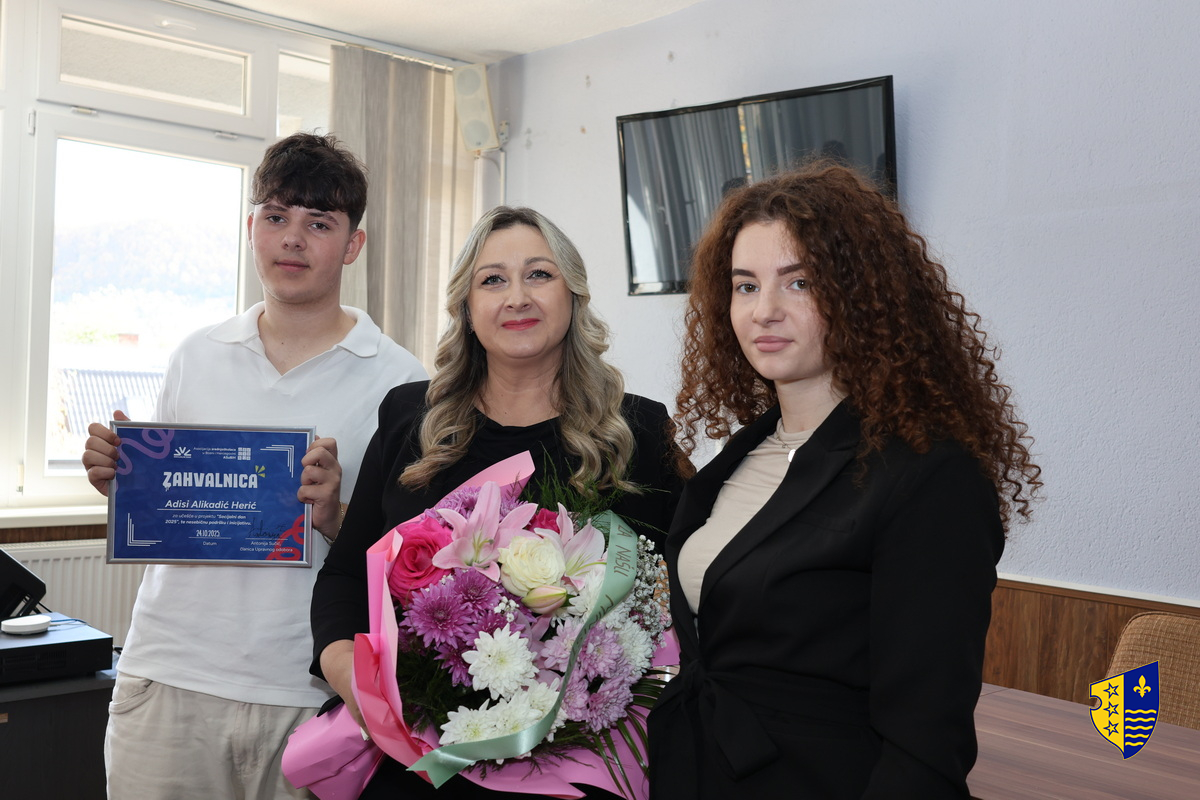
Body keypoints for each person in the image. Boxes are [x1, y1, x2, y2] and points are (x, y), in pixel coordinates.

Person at [647, 162, 1042, 799]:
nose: (764, 311)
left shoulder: (930, 473)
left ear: (862, 296)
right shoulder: (741, 455)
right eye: (745, 286)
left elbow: (925, 746)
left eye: (799, 282)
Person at [81, 132, 427, 800]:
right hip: (171, 675)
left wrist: (336, 515)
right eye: (275, 216)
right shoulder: (195, 355)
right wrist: (122, 482)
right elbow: (171, 505)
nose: (292, 238)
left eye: (318, 222)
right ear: (250, 230)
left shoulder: (402, 382)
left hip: (311, 688)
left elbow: (414, 559)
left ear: (353, 244)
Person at [311, 206, 689, 798]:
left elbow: (681, 602)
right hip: (417, 761)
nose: (517, 297)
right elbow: (344, 575)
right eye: (493, 280)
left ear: (573, 295)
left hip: (578, 764)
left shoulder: (638, 432)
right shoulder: (410, 417)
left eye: (539, 274)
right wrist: (352, 677)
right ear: (466, 307)